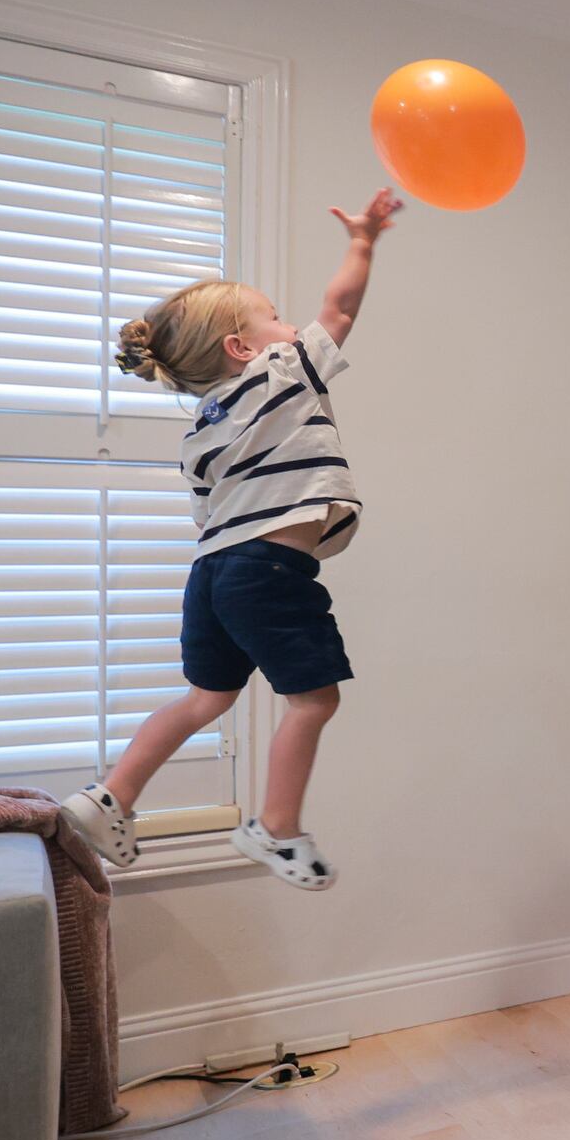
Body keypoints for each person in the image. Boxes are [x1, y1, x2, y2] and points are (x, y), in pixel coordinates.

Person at [56, 188, 399, 890]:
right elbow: (340, 310)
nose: (291, 325)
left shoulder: (201, 431)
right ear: (243, 348)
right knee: (314, 700)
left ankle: (111, 796)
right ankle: (277, 828)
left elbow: (208, 516)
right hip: (268, 569)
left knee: (205, 699)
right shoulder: (283, 375)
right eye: (275, 317)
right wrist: (362, 243)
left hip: (211, 575)